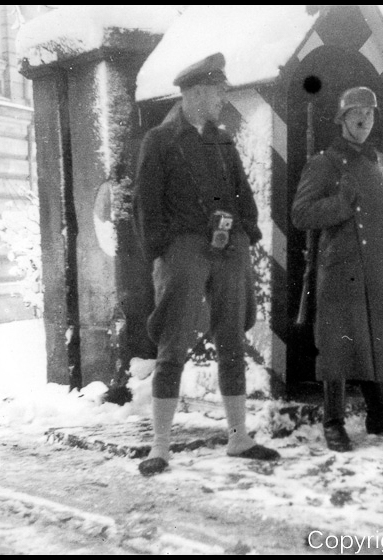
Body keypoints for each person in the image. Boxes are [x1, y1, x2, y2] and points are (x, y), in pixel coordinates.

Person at [133, 52, 280, 476]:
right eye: (217, 93)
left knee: (232, 339)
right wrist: (165, 249)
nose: (221, 100)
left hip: (227, 246)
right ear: (196, 93)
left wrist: (245, 232)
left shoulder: (221, 139)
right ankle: (159, 447)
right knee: (173, 344)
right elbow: (147, 204)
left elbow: (242, 192)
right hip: (184, 248)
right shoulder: (159, 141)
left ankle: (239, 438)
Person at [291, 86, 383, 452]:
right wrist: (341, 204)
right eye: (356, 113)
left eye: (369, 113)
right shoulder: (324, 162)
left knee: (377, 336)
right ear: (342, 119)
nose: (364, 120)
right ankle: (333, 422)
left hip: (381, 264)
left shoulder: (380, 161)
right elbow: (300, 214)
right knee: (338, 343)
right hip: (341, 268)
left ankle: (379, 414)